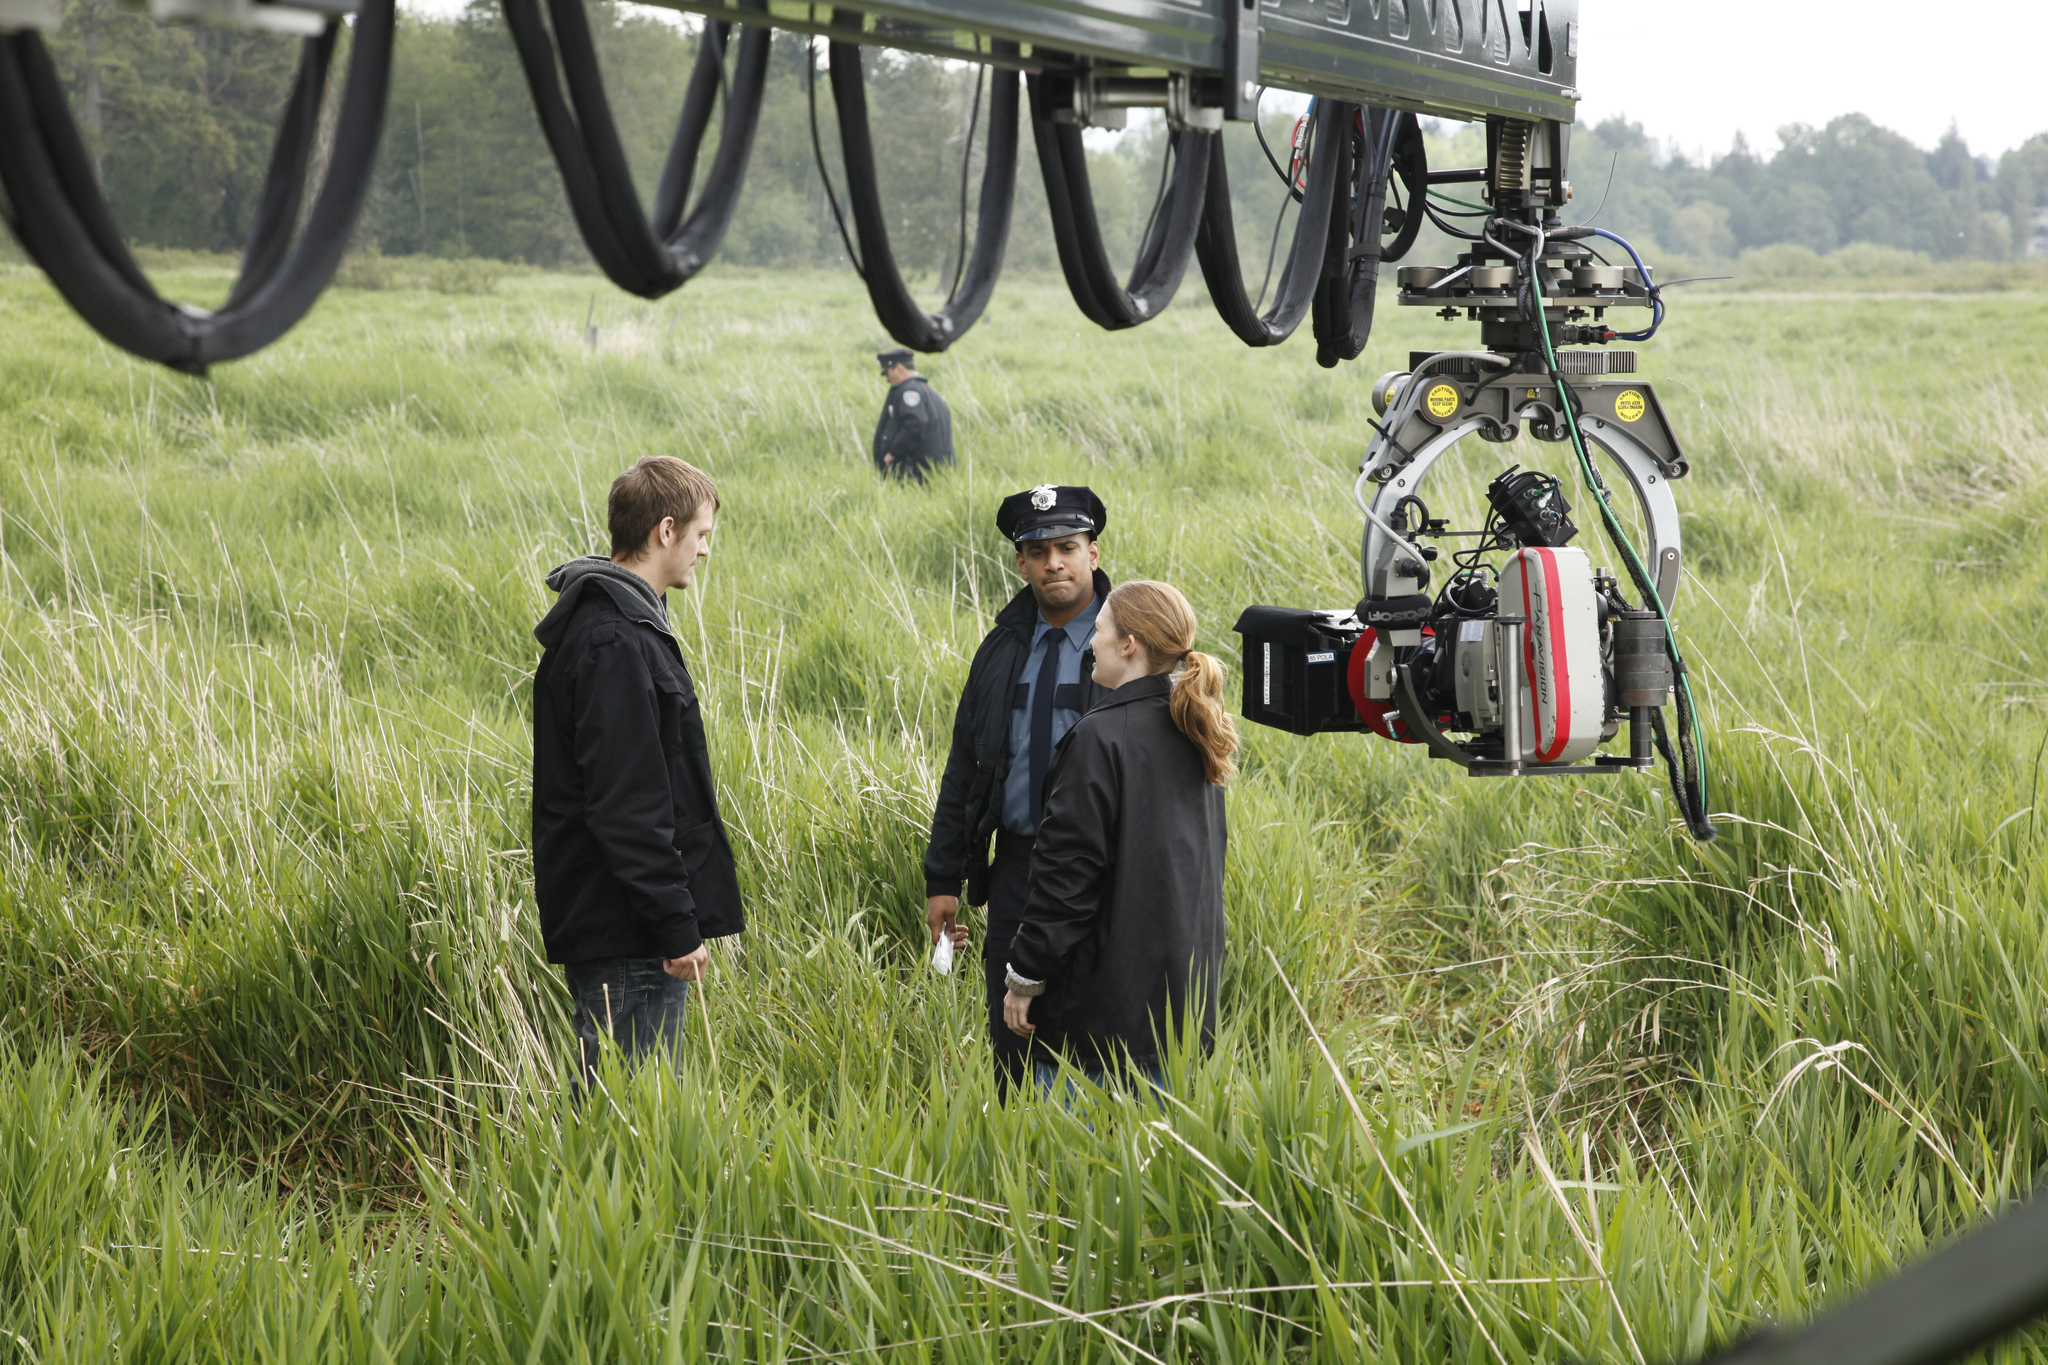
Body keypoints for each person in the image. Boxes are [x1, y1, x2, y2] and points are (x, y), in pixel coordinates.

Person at [530, 455, 746, 1088]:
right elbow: (628, 806)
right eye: (702, 535)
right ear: (666, 530)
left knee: (631, 1117)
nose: (704, 552)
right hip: (627, 927)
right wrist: (676, 926)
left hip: (628, 919)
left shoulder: (622, 626)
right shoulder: (614, 641)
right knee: (626, 1121)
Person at [1000, 580, 1238, 1096]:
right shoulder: (1198, 731)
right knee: (1157, 1174)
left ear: (1128, 644)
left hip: (1098, 1031)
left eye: (1100, 629)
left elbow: (1066, 881)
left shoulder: (1097, 738)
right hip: (1183, 1015)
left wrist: (1024, 977)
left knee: (1074, 1176)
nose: (1089, 642)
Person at [923, 485, 1112, 1101]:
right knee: (1012, 1031)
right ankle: (1017, 1151)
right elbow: (964, 766)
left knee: (1094, 1034)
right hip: (1016, 871)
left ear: (1094, 553)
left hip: (1103, 872)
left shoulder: (1130, 647)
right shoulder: (1001, 647)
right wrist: (944, 880)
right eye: (1038, 551)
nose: (1053, 562)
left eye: (1067, 547)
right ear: (1020, 563)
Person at [871, 347, 954, 482]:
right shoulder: (930, 392)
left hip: (917, 473)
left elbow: (915, 424)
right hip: (936, 473)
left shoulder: (909, 391)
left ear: (899, 368)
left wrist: (893, 453)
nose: (887, 379)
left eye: (887, 373)